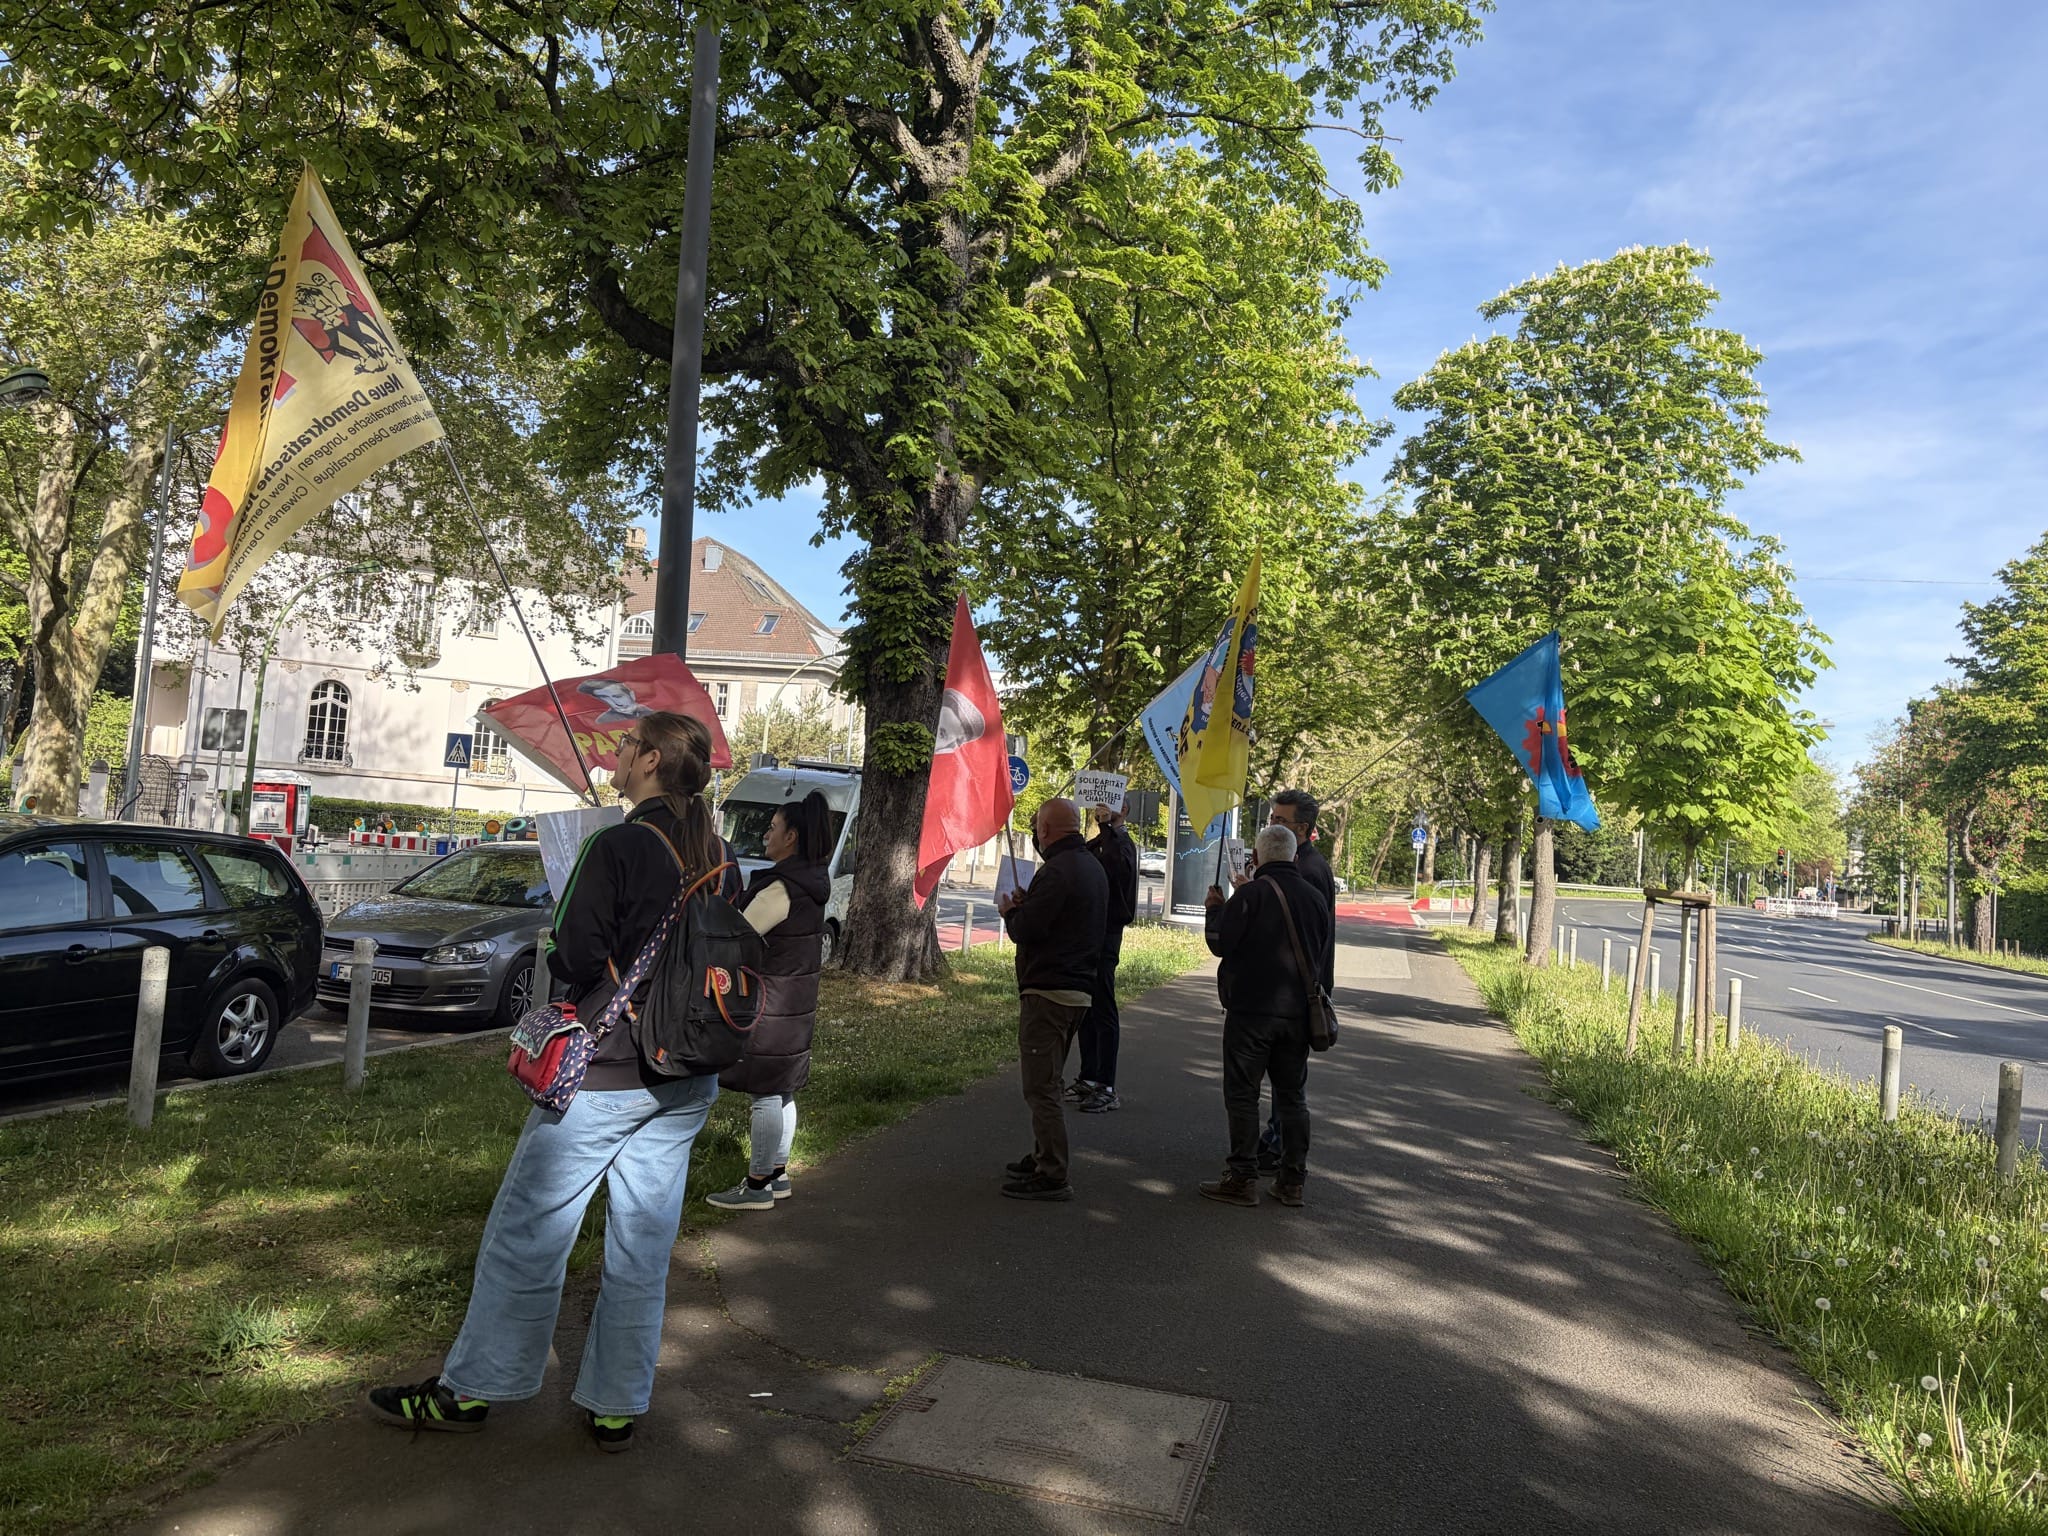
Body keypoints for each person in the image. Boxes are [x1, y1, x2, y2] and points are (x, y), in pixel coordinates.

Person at [365, 710, 728, 1453]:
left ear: (652, 760)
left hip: (610, 1072)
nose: (615, 754)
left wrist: (571, 899)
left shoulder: (618, 842)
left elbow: (571, 954)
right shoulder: (717, 851)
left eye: (626, 746)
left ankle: (471, 1391)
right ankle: (618, 1405)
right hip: (688, 1073)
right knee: (643, 1243)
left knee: (527, 1233)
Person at [706, 792, 834, 1212]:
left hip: (771, 1005)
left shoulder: (780, 887)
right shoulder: (812, 882)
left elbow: (739, 935)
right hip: (797, 1003)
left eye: (773, 827)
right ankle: (778, 1174)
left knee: (764, 1091)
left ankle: (757, 1184)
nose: (766, 834)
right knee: (783, 1090)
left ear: (791, 836)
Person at [1200, 821, 1332, 1208]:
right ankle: (1292, 1181)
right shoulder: (1314, 898)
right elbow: (1320, 953)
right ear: (1293, 855)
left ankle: (1242, 1178)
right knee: (1292, 1098)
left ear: (1256, 857)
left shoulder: (1249, 895)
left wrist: (1214, 911)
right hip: (1297, 1015)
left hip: (1250, 1013)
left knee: (1242, 1094)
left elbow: (1219, 943)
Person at [997, 798, 1109, 1201]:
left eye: (1037, 827)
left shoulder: (1057, 871)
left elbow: (1029, 928)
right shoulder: (1090, 867)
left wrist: (1011, 912)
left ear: (1045, 830)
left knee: (1041, 1087)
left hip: (1049, 988)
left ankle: (1053, 1172)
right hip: (1078, 988)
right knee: (1050, 1079)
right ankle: (1043, 1153)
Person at [1246, 789, 1336, 1173]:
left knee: (1287, 1085)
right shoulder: (1303, 865)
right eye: (1270, 819)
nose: (1271, 826)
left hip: (1294, 992)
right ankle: (1276, 1142)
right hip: (1297, 988)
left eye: (1279, 822)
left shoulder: (1308, 870)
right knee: (1286, 1082)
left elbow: (1297, 930)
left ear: (1302, 828)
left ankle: (1284, 1153)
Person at [1071, 797, 1138, 1114]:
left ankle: (1106, 1085)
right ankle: (1089, 1075)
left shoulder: (1122, 842)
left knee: (1103, 1006)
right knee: (1087, 1006)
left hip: (1107, 934)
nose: (1103, 811)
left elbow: (1114, 868)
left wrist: (1106, 826)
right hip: (1088, 931)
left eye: (1111, 806)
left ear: (1123, 811)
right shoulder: (1099, 840)